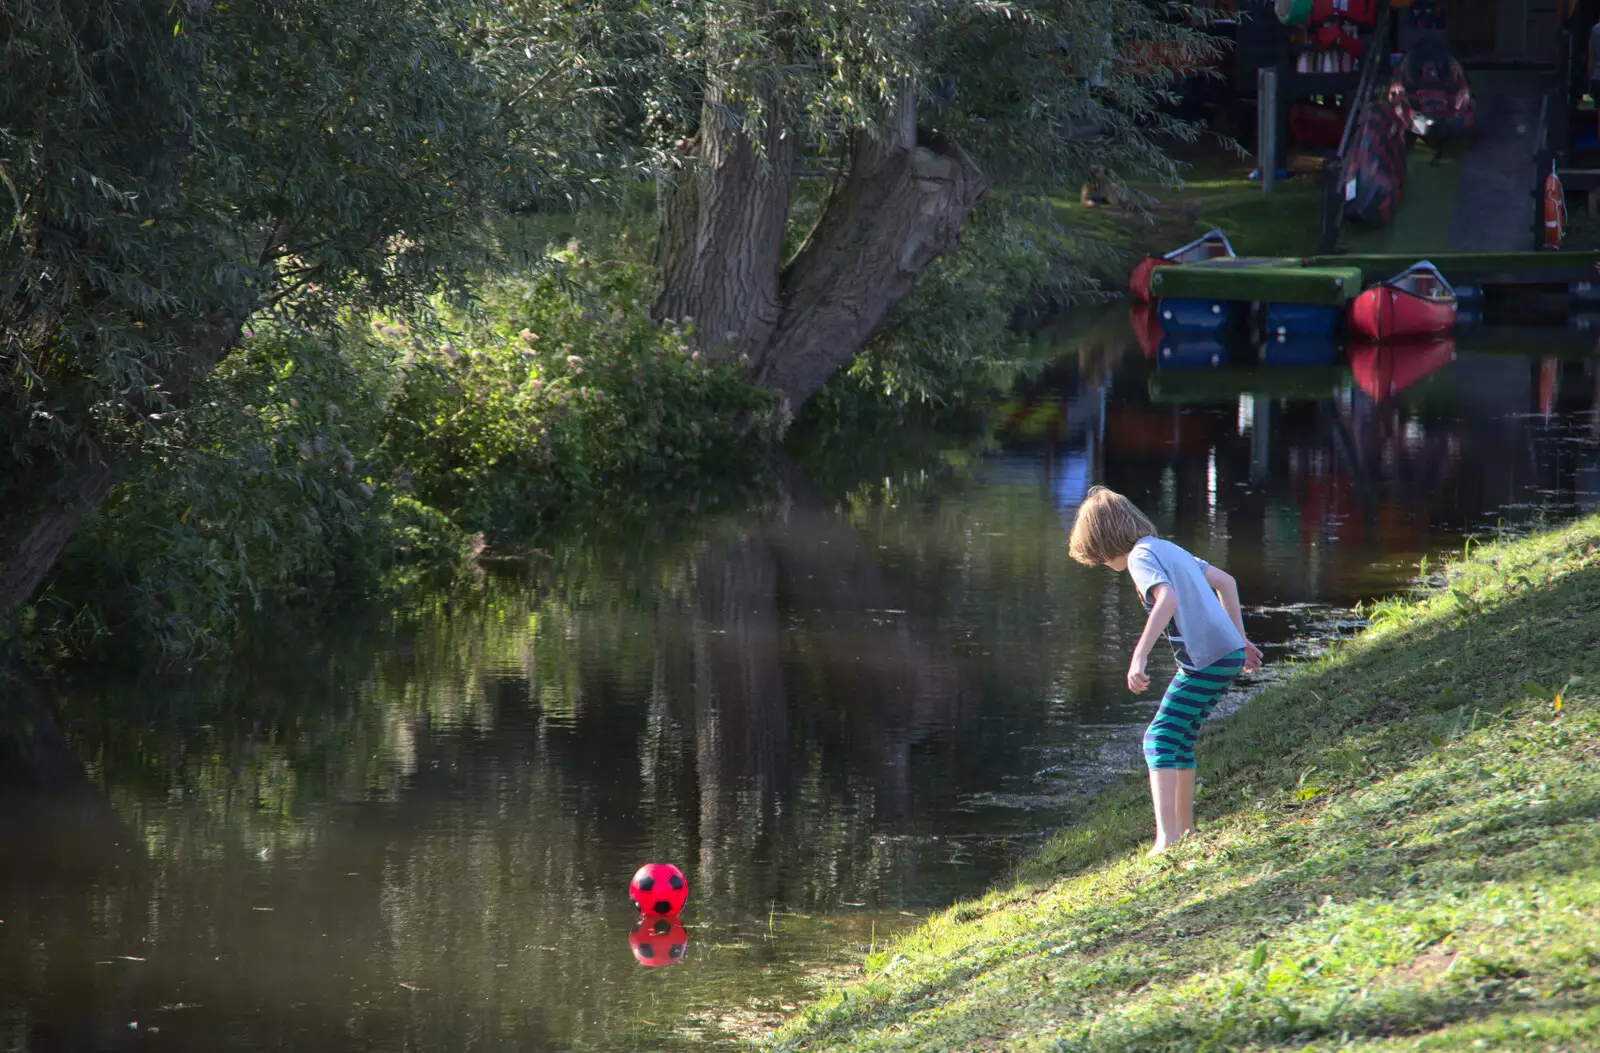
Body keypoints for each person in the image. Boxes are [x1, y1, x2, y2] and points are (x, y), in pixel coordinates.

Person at [1068, 486, 1264, 855]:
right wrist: (1241, 641)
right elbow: (1226, 582)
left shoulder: (1140, 558)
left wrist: (1138, 656)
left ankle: (1166, 838)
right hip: (1223, 654)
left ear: (1104, 544)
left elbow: (1167, 599)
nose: (1102, 564)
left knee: (1157, 739)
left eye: (1098, 557)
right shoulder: (1166, 548)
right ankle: (1186, 830)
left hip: (1205, 660)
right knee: (1180, 738)